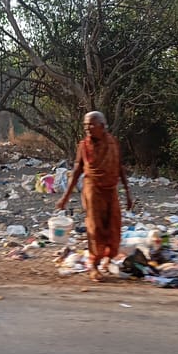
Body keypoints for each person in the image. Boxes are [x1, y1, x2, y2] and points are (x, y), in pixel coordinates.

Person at [55, 111, 132, 281]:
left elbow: (119, 167)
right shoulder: (84, 145)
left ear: (102, 126)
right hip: (93, 189)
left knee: (113, 226)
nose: (87, 128)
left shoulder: (112, 142)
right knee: (95, 228)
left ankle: (108, 258)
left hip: (111, 189)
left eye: (91, 124)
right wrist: (65, 197)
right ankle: (93, 265)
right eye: (85, 125)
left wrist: (127, 193)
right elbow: (76, 171)